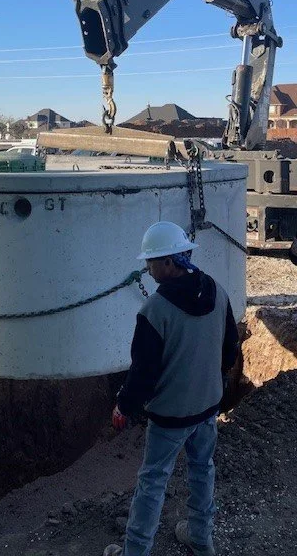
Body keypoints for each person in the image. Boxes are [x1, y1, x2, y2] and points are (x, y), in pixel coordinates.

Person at [104, 221, 239, 556]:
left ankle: (135, 551)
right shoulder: (217, 290)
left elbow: (143, 373)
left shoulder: (155, 311)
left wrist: (124, 405)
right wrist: (211, 381)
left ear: (170, 262)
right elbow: (230, 347)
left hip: (170, 415)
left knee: (153, 481)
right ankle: (200, 538)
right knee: (202, 469)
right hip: (208, 406)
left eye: (151, 262)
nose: (147, 269)